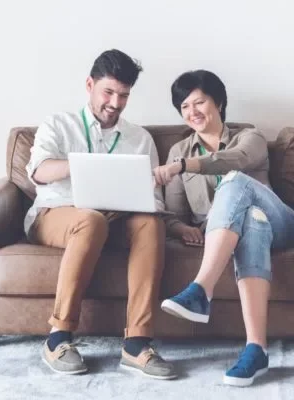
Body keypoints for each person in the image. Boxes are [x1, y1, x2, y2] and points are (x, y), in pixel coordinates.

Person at [25, 49, 177, 379]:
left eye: (123, 95)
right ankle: (58, 337)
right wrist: (82, 167)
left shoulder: (140, 138)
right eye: (108, 92)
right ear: (89, 84)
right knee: (89, 219)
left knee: (150, 224)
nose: (115, 102)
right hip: (58, 212)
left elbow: (154, 198)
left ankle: (137, 343)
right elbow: (38, 171)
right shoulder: (59, 124)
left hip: (117, 218)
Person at [153, 69, 294, 387]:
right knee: (251, 223)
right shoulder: (178, 151)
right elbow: (174, 214)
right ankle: (255, 349)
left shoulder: (249, 136)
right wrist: (182, 229)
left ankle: (200, 289)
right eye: (184, 107)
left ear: (219, 102)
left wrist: (182, 167)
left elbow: (233, 160)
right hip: (250, 229)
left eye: (199, 102)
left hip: (283, 224)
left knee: (236, 182)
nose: (192, 112)